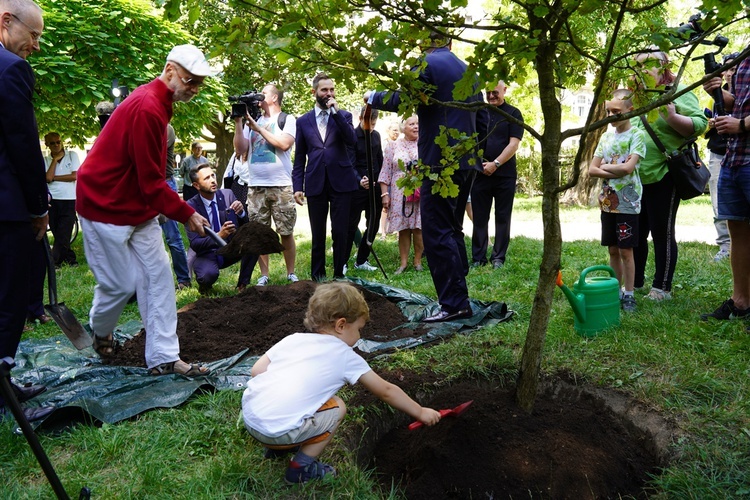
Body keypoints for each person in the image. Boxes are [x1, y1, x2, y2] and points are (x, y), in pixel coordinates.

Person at [76, 44, 213, 377]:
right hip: (103, 204)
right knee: (120, 284)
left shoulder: (161, 104)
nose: (193, 88)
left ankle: (165, 357)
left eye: (199, 83)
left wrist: (172, 208)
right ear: (169, 70)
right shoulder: (147, 107)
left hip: (138, 208)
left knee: (160, 280)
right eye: (189, 79)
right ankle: (101, 330)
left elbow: (149, 182)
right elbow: (151, 182)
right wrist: (187, 213)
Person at [241, 282, 441, 484]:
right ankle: (300, 469)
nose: (360, 336)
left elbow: (256, 371)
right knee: (337, 406)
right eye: (359, 329)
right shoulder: (346, 356)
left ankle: (276, 448)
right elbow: (386, 391)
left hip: (251, 419)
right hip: (278, 432)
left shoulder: (293, 339)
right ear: (341, 325)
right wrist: (421, 412)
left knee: (301, 401)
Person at [367, 32, 483, 322]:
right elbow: (481, 119)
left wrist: (373, 97)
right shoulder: (470, 71)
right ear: (450, 43)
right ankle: (460, 291)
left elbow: (403, 100)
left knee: (436, 232)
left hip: (440, 164)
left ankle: (454, 304)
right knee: (452, 228)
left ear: (423, 43)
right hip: (467, 161)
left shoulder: (426, 65)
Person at [0, 0, 53, 422]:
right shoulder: (10, 69)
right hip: (7, 211)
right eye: (32, 35)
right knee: (9, 300)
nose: (34, 45)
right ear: (5, 22)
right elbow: (22, 145)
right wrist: (40, 207)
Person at [630, 49, 708, 302]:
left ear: (664, 67)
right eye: (638, 66)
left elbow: (699, 125)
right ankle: (636, 281)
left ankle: (661, 287)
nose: (643, 70)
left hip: (664, 173)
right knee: (637, 232)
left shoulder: (679, 91)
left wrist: (673, 116)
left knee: (661, 232)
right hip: (635, 177)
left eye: (649, 64)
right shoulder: (637, 97)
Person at [700, 47, 750, 327]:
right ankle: (742, 302)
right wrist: (718, 92)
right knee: (738, 231)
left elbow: (742, 117)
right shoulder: (744, 57)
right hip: (734, 158)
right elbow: (739, 103)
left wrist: (741, 125)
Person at [292, 72, 358, 280]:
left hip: (342, 182)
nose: (328, 93)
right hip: (315, 182)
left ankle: (339, 274)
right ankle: (317, 276)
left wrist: (336, 113)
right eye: (324, 90)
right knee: (317, 234)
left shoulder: (344, 116)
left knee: (340, 232)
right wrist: (297, 186)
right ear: (314, 92)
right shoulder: (303, 121)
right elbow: (300, 156)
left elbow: (351, 141)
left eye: (331, 89)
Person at [234, 83, 299, 285]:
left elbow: (284, 144)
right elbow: (241, 150)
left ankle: (290, 273)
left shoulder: (287, 119)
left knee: (285, 231)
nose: (258, 97)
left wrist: (258, 128)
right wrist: (239, 122)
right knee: (260, 233)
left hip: (281, 185)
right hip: (256, 186)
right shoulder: (251, 122)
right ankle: (264, 275)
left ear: (274, 98)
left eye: (263, 94)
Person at [588, 89, 647, 313]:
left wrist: (606, 167)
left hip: (628, 203)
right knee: (613, 249)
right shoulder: (606, 136)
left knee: (626, 251)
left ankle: (629, 293)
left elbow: (628, 168)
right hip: (607, 202)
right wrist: (615, 170)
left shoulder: (637, 136)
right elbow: (592, 169)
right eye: (609, 111)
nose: (612, 116)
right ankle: (616, 290)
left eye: (617, 112)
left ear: (629, 110)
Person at [471, 80, 524, 269]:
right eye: (488, 93)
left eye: (495, 92)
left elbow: (514, 144)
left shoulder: (513, 113)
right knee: (479, 217)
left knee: (502, 217)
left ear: (504, 90)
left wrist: (496, 163)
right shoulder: (480, 112)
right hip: (480, 174)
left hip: (505, 175)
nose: (491, 96)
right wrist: (480, 165)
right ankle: (478, 258)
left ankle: (498, 258)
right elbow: (471, 141)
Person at [185, 164, 255, 294]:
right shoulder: (190, 207)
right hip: (207, 253)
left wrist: (242, 213)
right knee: (207, 275)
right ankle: (205, 286)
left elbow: (246, 226)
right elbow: (195, 243)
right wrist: (219, 235)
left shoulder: (227, 194)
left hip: (230, 248)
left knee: (255, 240)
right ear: (196, 185)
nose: (212, 180)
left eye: (213, 175)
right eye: (206, 178)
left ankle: (242, 285)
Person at [703, 52, 738, 262]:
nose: (730, 73)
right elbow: (705, 121)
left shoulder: (745, 93)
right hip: (718, 152)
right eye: (728, 69)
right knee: (719, 201)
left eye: (735, 68)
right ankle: (725, 246)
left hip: (741, 152)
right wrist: (711, 124)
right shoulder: (716, 94)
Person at [379, 116, 423, 275]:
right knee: (403, 228)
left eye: (418, 123)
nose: (416, 127)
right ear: (403, 127)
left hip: (420, 189)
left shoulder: (425, 143)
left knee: (419, 227)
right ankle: (403, 263)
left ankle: (417, 261)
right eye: (412, 124)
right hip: (399, 191)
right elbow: (385, 172)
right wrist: (385, 194)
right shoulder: (393, 146)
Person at [348, 106, 384, 272]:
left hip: (375, 186)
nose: (372, 127)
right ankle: (343, 260)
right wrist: (358, 179)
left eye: (374, 124)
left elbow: (380, 160)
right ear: (361, 119)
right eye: (369, 123)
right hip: (357, 186)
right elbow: (350, 163)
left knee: (374, 223)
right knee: (351, 223)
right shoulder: (353, 136)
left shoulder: (376, 136)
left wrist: (382, 183)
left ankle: (362, 260)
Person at [161, 124, 192, 290]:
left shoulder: (167, 129)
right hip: (142, 185)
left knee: (172, 236)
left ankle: (183, 279)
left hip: (164, 183)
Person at [43, 132, 79, 267]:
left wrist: (54, 178)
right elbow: (47, 178)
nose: (56, 145)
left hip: (69, 198)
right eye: (52, 143)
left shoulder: (72, 155)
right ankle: (70, 259)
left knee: (65, 230)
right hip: (52, 199)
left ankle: (54, 262)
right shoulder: (46, 160)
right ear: (47, 145)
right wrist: (54, 160)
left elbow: (74, 176)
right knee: (57, 231)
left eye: (58, 142)